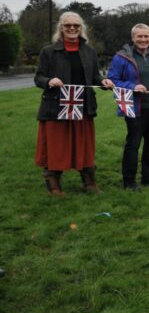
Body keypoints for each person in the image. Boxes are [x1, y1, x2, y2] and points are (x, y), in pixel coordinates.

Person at [34, 12, 114, 195]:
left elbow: (94, 75)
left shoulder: (89, 51)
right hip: (56, 106)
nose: (72, 28)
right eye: (68, 25)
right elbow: (38, 77)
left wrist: (103, 82)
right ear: (61, 28)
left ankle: (89, 181)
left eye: (76, 26)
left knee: (84, 145)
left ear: (81, 28)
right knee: (57, 146)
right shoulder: (48, 51)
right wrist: (49, 81)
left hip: (83, 105)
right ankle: (53, 183)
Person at [107, 23, 149, 190]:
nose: (143, 39)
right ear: (133, 38)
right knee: (133, 144)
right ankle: (129, 181)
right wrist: (132, 87)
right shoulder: (121, 57)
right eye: (139, 36)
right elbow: (113, 80)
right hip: (135, 108)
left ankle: (148, 178)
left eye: (146, 36)